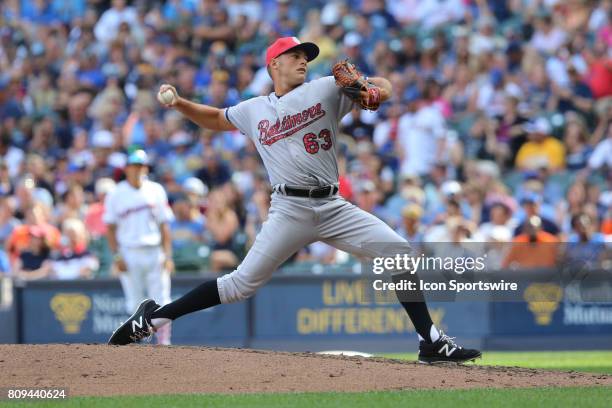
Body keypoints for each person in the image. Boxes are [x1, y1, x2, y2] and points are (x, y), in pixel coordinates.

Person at [108, 37, 481, 363]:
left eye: (306, 54)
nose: (303, 59)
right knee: (240, 285)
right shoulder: (255, 109)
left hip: (333, 207)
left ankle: (429, 341)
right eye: (294, 54)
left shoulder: (325, 88)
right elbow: (216, 119)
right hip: (290, 208)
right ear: (274, 64)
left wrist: (371, 88)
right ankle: (153, 318)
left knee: (398, 253)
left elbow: (384, 86)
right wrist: (180, 105)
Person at [104, 150, 174, 345]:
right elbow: (109, 228)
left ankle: (164, 343)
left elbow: (164, 226)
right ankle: (139, 345)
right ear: (126, 168)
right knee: (134, 303)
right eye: (133, 166)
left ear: (145, 168)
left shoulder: (156, 190)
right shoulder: (115, 193)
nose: (137, 169)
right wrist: (117, 256)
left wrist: (168, 256)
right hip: (129, 252)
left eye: (140, 166)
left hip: (154, 251)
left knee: (162, 300)